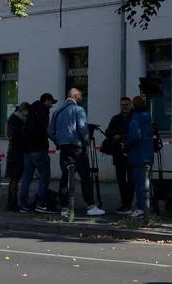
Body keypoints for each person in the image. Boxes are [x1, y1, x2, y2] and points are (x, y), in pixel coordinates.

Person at [47, 88, 105, 217]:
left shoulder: (57, 112)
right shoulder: (79, 110)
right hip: (77, 147)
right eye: (80, 96)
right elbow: (82, 128)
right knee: (85, 177)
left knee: (66, 176)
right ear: (74, 96)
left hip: (64, 148)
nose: (81, 98)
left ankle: (64, 207)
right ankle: (91, 205)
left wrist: (59, 142)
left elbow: (50, 131)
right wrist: (86, 142)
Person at [19, 93, 54, 212]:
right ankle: (41, 203)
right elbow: (46, 130)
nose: (51, 105)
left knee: (26, 178)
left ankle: (23, 205)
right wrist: (56, 141)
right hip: (39, 148)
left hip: (27, 149)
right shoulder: (44, 112)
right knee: (45, 176)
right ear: (46, 101)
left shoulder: (31, 110)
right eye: (51, 102)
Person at [123, 95, 154, 218]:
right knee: (146, 183)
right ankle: (147, 206)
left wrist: (126, 145)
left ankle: (141, 208)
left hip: (137, 154)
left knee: (139, 183)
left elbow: (134, 136)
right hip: (148, 153)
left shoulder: (135, 118)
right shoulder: (148, 116)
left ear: (134, 104)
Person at [102, 97, 133, 214]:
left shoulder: (134, 118)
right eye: (122, 105)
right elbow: (108, 131)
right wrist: (114, 135)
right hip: (119, 155)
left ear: (130, 105)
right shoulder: (116, 119)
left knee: (132, 181)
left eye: (126, 104)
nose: (125, 107)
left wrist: (123, 137)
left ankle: (129, 204)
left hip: (131, 154)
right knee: (121, 181)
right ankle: (124, 204)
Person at [5, 102, 30, 211]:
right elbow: (15, 137)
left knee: (14, 179)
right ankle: (12, 203)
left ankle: (12, 202)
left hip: (13, 151)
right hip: (16, 153)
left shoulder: (13, 118)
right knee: (15, 178)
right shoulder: (17, 120)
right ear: (23, 110)